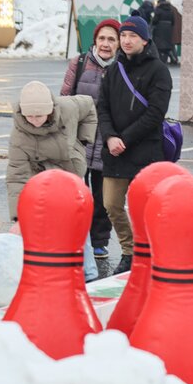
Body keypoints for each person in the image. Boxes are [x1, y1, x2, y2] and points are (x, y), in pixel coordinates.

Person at [97, 16, 172, 275]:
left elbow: (155, 113)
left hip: (145, 152)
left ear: (144, 40)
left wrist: (124, 139)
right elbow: (102, 107)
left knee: (148, 207)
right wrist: (109, 137)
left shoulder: (158, 70)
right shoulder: (113, 69)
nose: (127, 41)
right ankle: (130, 251)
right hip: (115, 152)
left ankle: (151, 250)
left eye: (132, 36)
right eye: (124, 36)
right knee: (111, 205)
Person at [6, 82, 99, 282]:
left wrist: (82, 143)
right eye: (29, 116)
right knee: (45, 223)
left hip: (70, 171)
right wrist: (19, 218)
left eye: (39, 116)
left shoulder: (69, 107)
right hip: (40, 179)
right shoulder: (19, 137)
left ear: (50, 110)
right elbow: (17, 176)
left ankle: (89, 274)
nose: (34, 121)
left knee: (77, 220)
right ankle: (49, 274)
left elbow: (90, 106)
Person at [61, 18, 120, 261]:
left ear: (118, 43)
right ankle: (74, 237)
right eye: (102, 38)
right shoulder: (80, 62)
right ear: (95, 40)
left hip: (107, 140)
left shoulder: (121, 69)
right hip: (79, 139)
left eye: (111, 39)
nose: (106, 44)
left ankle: (99, 241)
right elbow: (65, 96)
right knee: (75, 192)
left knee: (102, 195)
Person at [151, 0, 179, 64]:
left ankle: (160, 60)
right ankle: (167, 58)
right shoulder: (170, 9)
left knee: (159, 45)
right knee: (167, 45)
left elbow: (155, 20)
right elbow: (173, 21)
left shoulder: (158, 9)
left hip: (160, 28)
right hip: (168, 29)